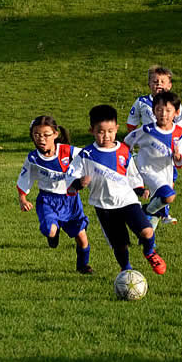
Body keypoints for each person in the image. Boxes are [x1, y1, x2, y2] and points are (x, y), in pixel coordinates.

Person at [67, 104, 166, 275]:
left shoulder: (123, 150)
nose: (106, 136)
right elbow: (70, 177)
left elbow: (132, 173)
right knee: (120, 244)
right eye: (101, 131)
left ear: (117, 129)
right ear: (92, 130)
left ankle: (149, 252)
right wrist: (78, 184)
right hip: (104, 207)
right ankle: (126, 270)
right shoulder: (86, 154)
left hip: (128, 202)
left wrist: (139, 189)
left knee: (147, 231)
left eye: (110, 131)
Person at [17, 115, 93, 274]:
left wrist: (86, 178)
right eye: (37, 135)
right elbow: (25, 178)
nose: (41, 139)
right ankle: (53, 234)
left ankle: (83, 266)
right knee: (50, 230)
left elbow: (90, 157)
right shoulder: (33, 158)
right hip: (48, 200)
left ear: (55, 135)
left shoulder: (68, 151)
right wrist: (23, 198)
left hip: (71, 200)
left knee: (82, 238)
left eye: (46, 135)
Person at [126, 65, 182, 225]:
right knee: (164, 191)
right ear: (149, 84)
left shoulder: (175, 105)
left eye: (162, 81)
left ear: (169, 85)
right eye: (155, 81)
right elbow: (131, 126)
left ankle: (151, 228)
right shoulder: (142, 103)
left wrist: (177, 151)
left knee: (168, 187)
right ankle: (153, 215)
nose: (158, 84)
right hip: (148, 152)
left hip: (166, 155)